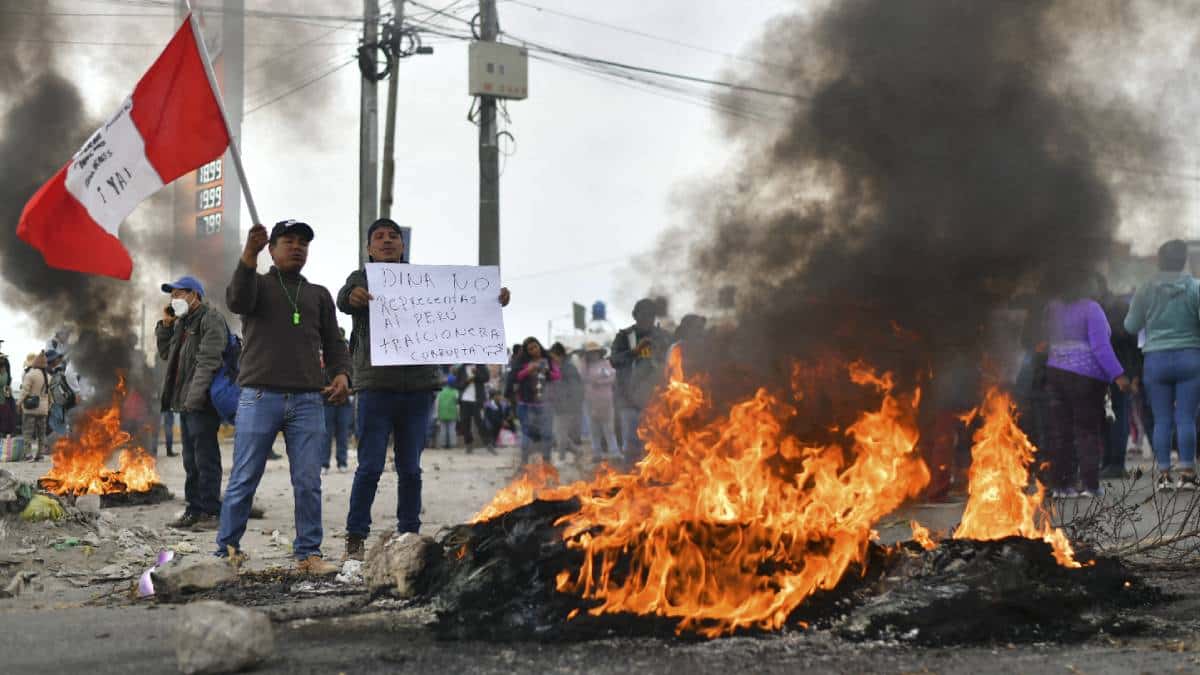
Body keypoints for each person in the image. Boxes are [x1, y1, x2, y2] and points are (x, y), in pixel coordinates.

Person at [337, 217, 509, 560]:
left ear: (403, 245)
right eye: (379, 237)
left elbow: (466, 307)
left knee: (411, 469)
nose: (387, 241)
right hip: (375, 388)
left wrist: (493, 299)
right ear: (369, 249)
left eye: (393, 237)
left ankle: (409, 535)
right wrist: (353, 297)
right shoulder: (362, 278)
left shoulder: (424, 281)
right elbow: (343, 299)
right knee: (369, 467)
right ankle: (355, 537)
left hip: (418, 390)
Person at [216, 219, 351, 575]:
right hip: (260, 396)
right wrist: (249, 253)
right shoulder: (257, 285)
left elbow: (334, 342)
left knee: (308, 481)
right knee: (245, 477)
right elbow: (236, 299)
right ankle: (227, 551)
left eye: (302, 243)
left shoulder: (318, 294)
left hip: (308, 399)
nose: (296, 247)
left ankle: (309, 553)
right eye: (288, 241)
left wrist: (341, 373)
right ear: (272, 250)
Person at [1042, 272, 1129, 498]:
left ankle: (1062, 485)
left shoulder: (1052, 309)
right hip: (1085, 379)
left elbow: (1042, 341)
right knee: (1087, 432)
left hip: (1055, 373)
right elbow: (1101, 347)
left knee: (1060, 432)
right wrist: (1118, 374)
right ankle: (1090, 485)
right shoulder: (1092, 309)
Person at [156, 275, 230, 530]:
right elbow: (167, 353)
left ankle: (211, 512)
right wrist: (165, 326)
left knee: (205, 457)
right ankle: (194, 509)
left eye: (179, 294)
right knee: (190, 459)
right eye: (172, 295)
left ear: (194, 295)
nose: (174, 299)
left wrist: (194, 398)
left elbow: (209, 362)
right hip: (186, 402)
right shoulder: (182, 324)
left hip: (203, 401)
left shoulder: (211, 319)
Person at [1125, 239, 1200, 491]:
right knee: (1186, 417)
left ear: (1159, 260)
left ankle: (1165, 474)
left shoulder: (1146, 289)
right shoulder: (1195, 288)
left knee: (1162, 419)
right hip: (1190, 357)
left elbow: (1130, 326)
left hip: (1156, 360)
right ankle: (1188, 472)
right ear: (1184, 261)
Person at [610, 299, 672, 465]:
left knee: (656, 446)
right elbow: (614, 361)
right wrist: (634, 352)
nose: (647, 320)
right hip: (628, 401)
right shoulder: (624, 337)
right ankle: (630, 484)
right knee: (631, 447)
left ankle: (651, 484)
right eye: (643, 316)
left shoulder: (664, 337)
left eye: (650, 316)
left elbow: (673, 362)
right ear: (635, 316)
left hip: (656, 401)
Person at [515, 337, 559, 465]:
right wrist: (528, 370)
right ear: (527, 352)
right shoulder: (522, 363)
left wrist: (547, 372)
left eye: (535, 347)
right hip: (527, 405)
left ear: (539, 346)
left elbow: (557, 375)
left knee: (547, 434)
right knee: (526, 434)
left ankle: (546, 462)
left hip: (546, 404)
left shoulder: (549, 361)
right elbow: (515, 376)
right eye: (530, 349)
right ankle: (523, 463)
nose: (534, 350)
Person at [581, 341, 619, 461]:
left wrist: (599, 383)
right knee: (594, 429)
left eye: (595, 352)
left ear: (599, 353)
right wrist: (583, 362)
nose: (593, 355)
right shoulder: (586, 366)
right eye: (590, 353)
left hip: (606, 400)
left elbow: (612, 378)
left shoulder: (606, 363)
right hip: (591, 401)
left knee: (608, 428)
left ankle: (614, 453)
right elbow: (582, 378)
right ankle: (596, 453)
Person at [322, 331, 354, 474]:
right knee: (326, 435)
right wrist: (331, 389)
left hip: (344, 405)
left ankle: (342, 462)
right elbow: (316, 386)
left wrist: (345, 389)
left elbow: (355, 387)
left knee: (343, 434)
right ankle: (324, 464)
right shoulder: (322, 365)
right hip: (326, 404)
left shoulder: (350, 367)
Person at [548, 342, 584, 461]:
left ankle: (561, 458)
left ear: (560, 355)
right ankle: (577, 451)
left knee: (561, 434)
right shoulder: (555, 367)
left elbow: (575, 388)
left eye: (553, 357)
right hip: (557, 405)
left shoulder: (569, 368)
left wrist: (571, 404)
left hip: (567, 406)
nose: (552, 359)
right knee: (558, 433)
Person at [19, 352, 50, 461]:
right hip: (43, 409)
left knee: (27, 432)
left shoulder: (30, 375)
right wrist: (48, 406)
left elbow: (25, 391)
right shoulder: (48, 376)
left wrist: (19, 403)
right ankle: (40, 455)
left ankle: (28, 455)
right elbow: (49, 395)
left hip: (30, 408)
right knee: (41, 433)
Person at [453, 363, 491, 453]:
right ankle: (468, 444)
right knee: (465, 423)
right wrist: (467, 381)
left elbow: (486, 378)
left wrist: (476, 373)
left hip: (478, 400)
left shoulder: (481, 366)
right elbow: (457, 385)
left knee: (480, 422)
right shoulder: (461, 368)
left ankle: (488, 444)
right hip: (464, 400)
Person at [436, 377, 460, 449]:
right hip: (452, 413)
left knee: (443, 430)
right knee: (451, 429)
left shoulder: (441, 391)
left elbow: (437, 403)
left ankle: (443, 444)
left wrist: (437, 414)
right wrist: (458, 415)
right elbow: (457, 405)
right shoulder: (455, 392)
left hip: (442, 413)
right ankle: (451, 444)